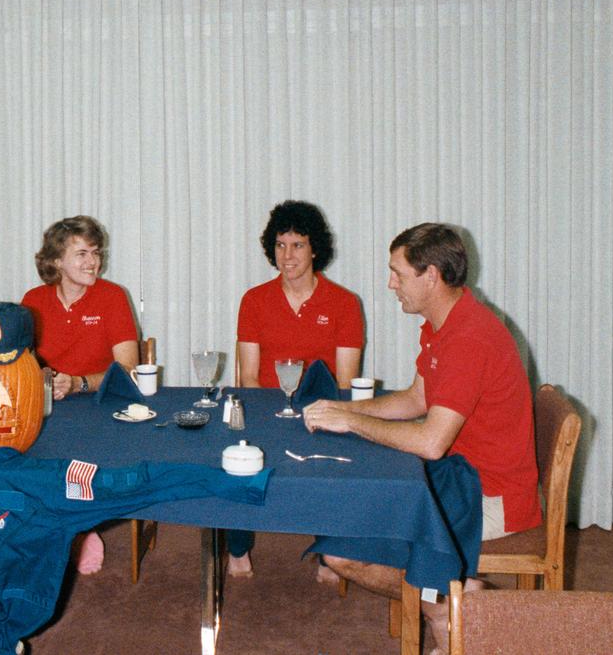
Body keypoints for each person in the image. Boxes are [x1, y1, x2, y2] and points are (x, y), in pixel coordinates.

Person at [302, 223, 540, 651]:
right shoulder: (443, 322)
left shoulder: (469, 337)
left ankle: (451, 607)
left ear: (431, 275)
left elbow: (431, 441)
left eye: (398, 272)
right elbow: (416, 398)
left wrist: (353, 423)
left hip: (490, 494)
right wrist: (343, 409)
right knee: (346, 528)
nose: (391, 283)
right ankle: (455, 599)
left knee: (342, 553)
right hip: (456, 474)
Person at [230, 201, 365, 577]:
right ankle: (237, 546)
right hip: (267, 407)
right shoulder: (254, 300)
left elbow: (344, 381)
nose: (287, 256)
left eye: (297, 245)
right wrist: (273, 415)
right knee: (233, 454)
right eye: (280, 245)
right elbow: (249, 376)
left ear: (315, 248)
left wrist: (319, 416)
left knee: (334, 455)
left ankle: (330, 550)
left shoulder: (344, 303)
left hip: (320, 411)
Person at [22, 215, 139, 574]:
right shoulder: (33, 300)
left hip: (100, 403)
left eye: (96, 253)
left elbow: (129, 370)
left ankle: (82, 528)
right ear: (56, 261)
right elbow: (20, 362)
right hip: (49, 403)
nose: (93, 262)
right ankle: (56, 525)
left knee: (80, 452)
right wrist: (45, 380)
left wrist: (78, 383)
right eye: (82, 254)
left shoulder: (113, 296)